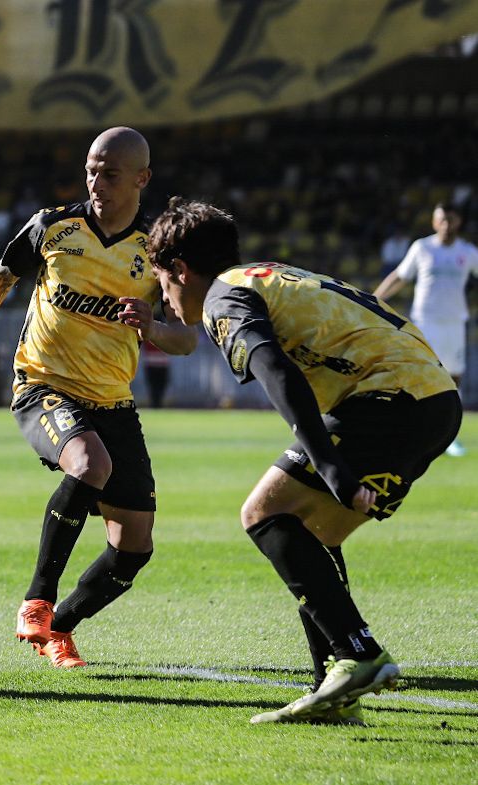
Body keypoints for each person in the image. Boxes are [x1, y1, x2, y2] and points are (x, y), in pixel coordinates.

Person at [145, 197, 461, 725]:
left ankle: (358, 652)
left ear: (179, 269)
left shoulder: (224, 296)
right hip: (434, 401)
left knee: (262, 512)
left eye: (162, 284)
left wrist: (332, 467)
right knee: (314, 536)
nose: (166, 301)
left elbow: (276, 371)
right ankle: (334, 689)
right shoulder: (267, 276)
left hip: (389, 399)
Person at [0, 128, 197, 668]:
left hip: (112, 401)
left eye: (110, 173)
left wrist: (156, 330)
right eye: (91, 169)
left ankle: (58, 628)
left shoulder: (157, 249)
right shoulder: (53, 226)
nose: (96, 181)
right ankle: (37, 599)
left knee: (134, 548)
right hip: (41, 386)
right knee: (91, 463)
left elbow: (188, 335)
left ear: (141, 178)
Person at [373, 203, 478, 456]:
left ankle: (449, 436)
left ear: (458, 222)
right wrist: (374, 298)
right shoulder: (422, 248)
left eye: (450, 220)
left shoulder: (468, 252)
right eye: (441, 220)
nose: (445, 224)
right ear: (434, 222)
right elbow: (400, 276)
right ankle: (408, 429)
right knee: (417, 374)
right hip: (425, 322)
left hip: (453, 322)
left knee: (453, 380)